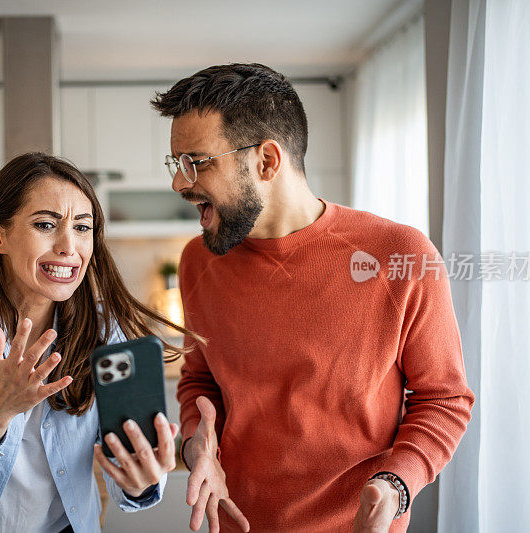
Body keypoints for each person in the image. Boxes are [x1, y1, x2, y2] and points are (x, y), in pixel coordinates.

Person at [151, 63, 475, 533]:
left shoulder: (400, 255)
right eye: (175, 164)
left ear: (266, 161)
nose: (180, 183)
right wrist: (195, 447)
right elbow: (200, 382)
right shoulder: (197, 262)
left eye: (197, 162)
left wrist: (396, 483)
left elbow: (444, 399)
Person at [0, 153, 197, 533]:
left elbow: (130, 480)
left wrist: (141, 481)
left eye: (83, 228)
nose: (70, 247)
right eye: (45, 224)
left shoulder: (103, 330)